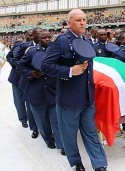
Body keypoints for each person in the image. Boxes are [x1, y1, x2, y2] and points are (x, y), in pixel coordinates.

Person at [41, 9, 108, 171]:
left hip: (87, 97)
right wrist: (70, 71)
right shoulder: (60, 41)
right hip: (69, 98)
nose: (83, 22)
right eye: (78, 20)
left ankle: (99, 164)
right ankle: (76, 162)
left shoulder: (86, 40)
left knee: (91, 132)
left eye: (84, 19)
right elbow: (45, 66)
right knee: (69, 135)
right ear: (69, 23)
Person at [18, 31, 65, 155]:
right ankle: (48, 139)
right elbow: (20, 66)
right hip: (36, 92)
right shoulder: (32, 52)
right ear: (38, 39)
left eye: (49, 37)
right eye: (44, 37)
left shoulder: (55, 51)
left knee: (57, 120)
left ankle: (62, 144)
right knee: (42, 121)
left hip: (53, 90)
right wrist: (30, 73)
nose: (48, 39)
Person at [15, 28, 43, 139]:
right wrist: (29, 72)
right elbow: (16, 60)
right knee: (30, 105)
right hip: (29, 79)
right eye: (37, 34)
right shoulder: (25, 46)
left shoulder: (48, 45)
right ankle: (34, 128)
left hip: (43, 81)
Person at [6, 34, 30, 128]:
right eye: (30, 35)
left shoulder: (40, 46)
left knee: (30, 100)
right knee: (19, 100)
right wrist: (16, 64)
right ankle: (23, 119)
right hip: (17, 77)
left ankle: (32, 120)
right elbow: (9, 56)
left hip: (29, 78)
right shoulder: (19, 45)